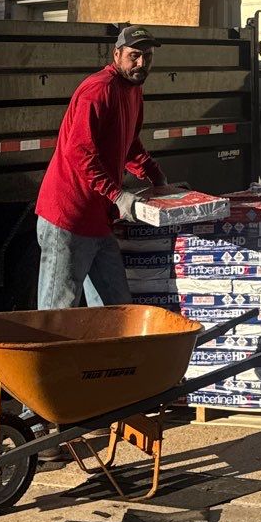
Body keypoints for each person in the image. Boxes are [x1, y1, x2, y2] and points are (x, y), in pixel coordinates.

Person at [34, 25, 165, 309]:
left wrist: (157, 179)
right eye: (134, 55)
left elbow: (129, 143)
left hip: (99, 220)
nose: (141, 63)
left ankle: (113, 342)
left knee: (117, 309)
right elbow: (79, 152)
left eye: (147, 56)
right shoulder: (99, 90)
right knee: (57, 313)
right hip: (69, 219)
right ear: (116, 54)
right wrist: (118, 195)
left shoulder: (133, 90)